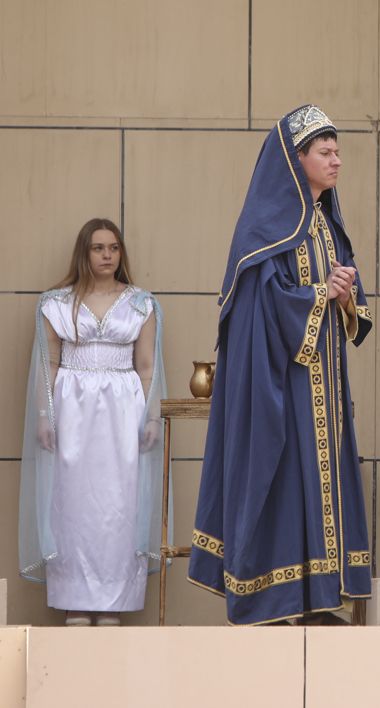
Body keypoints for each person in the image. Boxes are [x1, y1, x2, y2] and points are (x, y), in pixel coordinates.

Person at [187, 105, 374, 626]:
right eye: (325, 152)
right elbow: (256, 307)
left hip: (325, 386)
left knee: (321, 481)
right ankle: (274, 598)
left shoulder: (325, 223)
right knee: (284, 480)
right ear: (297, 160)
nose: (336, 161)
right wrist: (317, 295)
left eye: (338, 152)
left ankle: (317, 600)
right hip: (282, 383)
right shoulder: (265, 227)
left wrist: (343, 295)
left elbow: (348, 299)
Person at [19, 218, 166, 627]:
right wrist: (45, 414)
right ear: (84, 253)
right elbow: (48, 364)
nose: (107, 255)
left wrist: (151, 416)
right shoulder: (56, 303)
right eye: (98, 248)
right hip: (74, 408)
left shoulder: (141, 303)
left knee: (119, 503)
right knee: (72, 504)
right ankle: (75, 601)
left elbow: (148, 365)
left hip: (122, 410)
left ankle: (113, 602)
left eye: (113, 248)